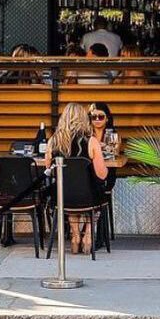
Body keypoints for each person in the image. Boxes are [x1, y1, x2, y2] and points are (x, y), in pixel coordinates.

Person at [45, 102, 108, 254]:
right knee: (98, 190)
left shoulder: (53, 141)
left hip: (62, 196)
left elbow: (48, 169)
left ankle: (75, 235)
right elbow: (102, 174)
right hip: (88, 196)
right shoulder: (91, 141)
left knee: (70, 191)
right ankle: (88, 234)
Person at [89, 102, 120, 193]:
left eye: (101, 117)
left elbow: (115, 153)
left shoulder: (113, 135)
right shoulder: (86, 135)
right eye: (94, 117)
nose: (97, 119)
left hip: (107, 174)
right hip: (88, 175)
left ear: (107, 119)